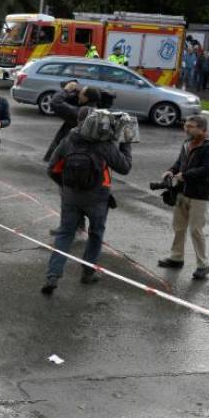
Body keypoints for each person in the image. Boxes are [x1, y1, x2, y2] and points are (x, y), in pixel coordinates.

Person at [42, 107, 132, 294]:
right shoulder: (104, 144)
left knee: (65, 235)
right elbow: (125, 167)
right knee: (96, 234)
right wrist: (125, 142)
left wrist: (67, 186)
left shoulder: (69, 140)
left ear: (79, 122)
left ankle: (52, 275)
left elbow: (52, 169)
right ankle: (87, 272)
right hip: (98, 198)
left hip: (71, 197)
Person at [157, 116, 209, 280]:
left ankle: (203, 265)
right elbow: (179, 163)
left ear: (203, 130)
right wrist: (170, 171)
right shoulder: (187, 144)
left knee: (195, 230)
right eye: (186, 126)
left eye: (191, 127)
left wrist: (185, 175)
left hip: (199, 195)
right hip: (181, 192)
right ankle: (176, 258)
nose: (187, 129)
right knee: (178, 227)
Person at [43, 81, 102, 162]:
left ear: (86, 98)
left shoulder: (80, 113)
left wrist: (66, 90)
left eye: (81, 93)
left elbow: (55, 102)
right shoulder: (95, 111)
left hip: (65, 156)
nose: (79, 95)